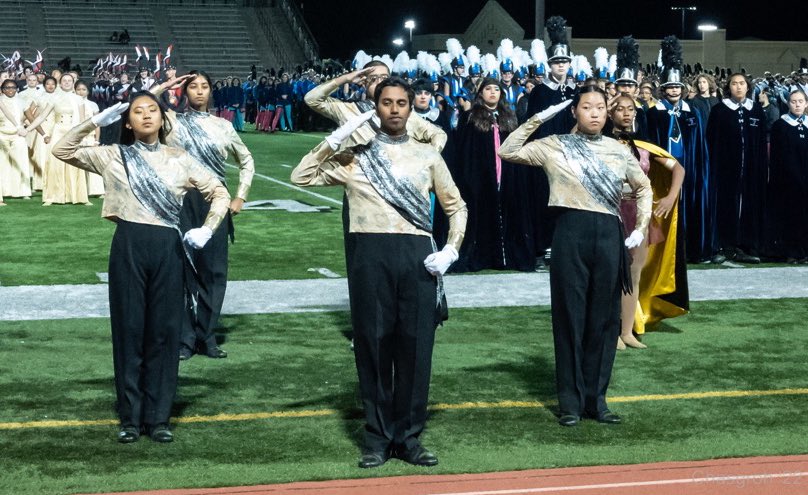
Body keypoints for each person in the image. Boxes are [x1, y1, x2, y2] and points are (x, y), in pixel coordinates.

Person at [292, 77, 467, 468]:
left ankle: (408, 437)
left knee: (416, 347)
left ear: (411, 108)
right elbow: (301, 176)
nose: (394, 109)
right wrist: (335, 139)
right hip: (369, 256)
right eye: (387, 102)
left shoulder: (428, 155)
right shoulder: (355, 157)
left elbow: (456, 207)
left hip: (417, 256)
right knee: (372, 345)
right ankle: (377, 437)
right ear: (376, 107)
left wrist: (451, 250)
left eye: (401, 103)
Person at [51, 93, 230, 443]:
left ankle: (159, 417)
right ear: (128, 122)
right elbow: (62, 150)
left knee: (165, 332)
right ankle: (130, 418)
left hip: (168, 247)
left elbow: (220, 193)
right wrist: (95, 122)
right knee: (129, 330)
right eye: (138, 111)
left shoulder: (180, 158)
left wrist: (208, 228)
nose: (146, 115)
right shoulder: (113, 155)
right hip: (128, 245)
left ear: (163, 120)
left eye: (152, 110)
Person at [498, 86, 652, 426]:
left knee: (605, 319)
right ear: (574, 111)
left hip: (609, 235)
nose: (594, 113)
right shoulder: (555, 145)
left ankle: (597, 401)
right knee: (570, 317)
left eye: (600, 107)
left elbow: (643, 187)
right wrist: (538, 118)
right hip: (570, 232)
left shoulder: (618, 149)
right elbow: (507, 150)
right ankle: (570, 402)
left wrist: (640, 226)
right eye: (586, 107)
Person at [152, 71, 255, 360]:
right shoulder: (171, 121)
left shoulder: (223, 126)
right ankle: (185, 338)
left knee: (214, 271)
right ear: (184, 91)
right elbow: (145, 100)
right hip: (180, 200)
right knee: (181, 272)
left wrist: (240, 195)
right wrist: (166, 85)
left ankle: (206, 336)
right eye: (193, 86)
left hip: (215, 202)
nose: (199, 91)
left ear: (211, 91)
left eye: (204, 86)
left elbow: (246, 160)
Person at [610, 94, 687, 350]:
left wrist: (670, 197)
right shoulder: (601, 142)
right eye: (619, 109)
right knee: (609, 273)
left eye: (630, 109)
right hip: (609, 211)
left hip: (637, 213)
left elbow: (678, 168)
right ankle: (610, 330)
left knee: (633, 274)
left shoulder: (644, 145)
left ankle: (627, 331)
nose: (626, 113)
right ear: (610, 112)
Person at [451, 78, 534, 272]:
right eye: (488, 89)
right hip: (480, 175)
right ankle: (483, 256)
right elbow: (465, 150)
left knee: (507, 212)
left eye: (496, 89)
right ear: (481, 93)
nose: (492, 92)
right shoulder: (470, 117)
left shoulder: (509, 116)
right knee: (482, 214)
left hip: (506, 173)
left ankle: (506, 257)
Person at [645, 37, 712, 263]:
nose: (673, 90)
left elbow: (700, 145)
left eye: (677, 87)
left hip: (689, 169)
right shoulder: (654, 114)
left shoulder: (692, 113)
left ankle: (689, 249)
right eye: (669, 87)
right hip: (663, 170)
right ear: (663, 90)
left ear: (682, 89)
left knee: (687, 208)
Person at [707, 73, 778, 263]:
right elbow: (711, 141)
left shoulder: (756, 110)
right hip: (725, 170)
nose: (738, 87)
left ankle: (745, 246)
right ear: (728, 87)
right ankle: (724, 245)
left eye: (742, 83)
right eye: (734, 83)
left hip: (751, 170)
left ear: (748, 87)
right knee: (726, 205)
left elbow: (761, 141)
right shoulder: (719, 110)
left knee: (748, 206)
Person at [767, 89, 808, 262]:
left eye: (800, 101)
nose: (797, 105)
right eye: (793, 101)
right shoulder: (780, 125)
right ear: (788, 103)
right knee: (791, 216)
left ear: (806, 104)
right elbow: (778, 157)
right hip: (788, 181)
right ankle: (791, 251)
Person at [40, 73, 91, 205]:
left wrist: (83, 137)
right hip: (58, 131)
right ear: (60, 83)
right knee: (55, 162)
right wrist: (29, 129)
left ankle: (79, 197)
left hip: (72, 132)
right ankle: (52, 197)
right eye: (64, 81)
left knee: (74, 161)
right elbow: (42, 117)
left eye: (69, 80)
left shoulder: (78, 99)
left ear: (73, 83)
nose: (67, 82)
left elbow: (82, 121)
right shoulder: (54, 97)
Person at [75, 80, 105, 197]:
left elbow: (97, 124)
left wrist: (97, 140)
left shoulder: (93, 105)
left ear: (88, 91)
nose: (81, 92)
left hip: (90, 137)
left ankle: (96, 190)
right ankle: (79, 191)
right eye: (78, 89)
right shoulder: (72, 104)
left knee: (92, 163)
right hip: (77, 137)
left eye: (83, 89)